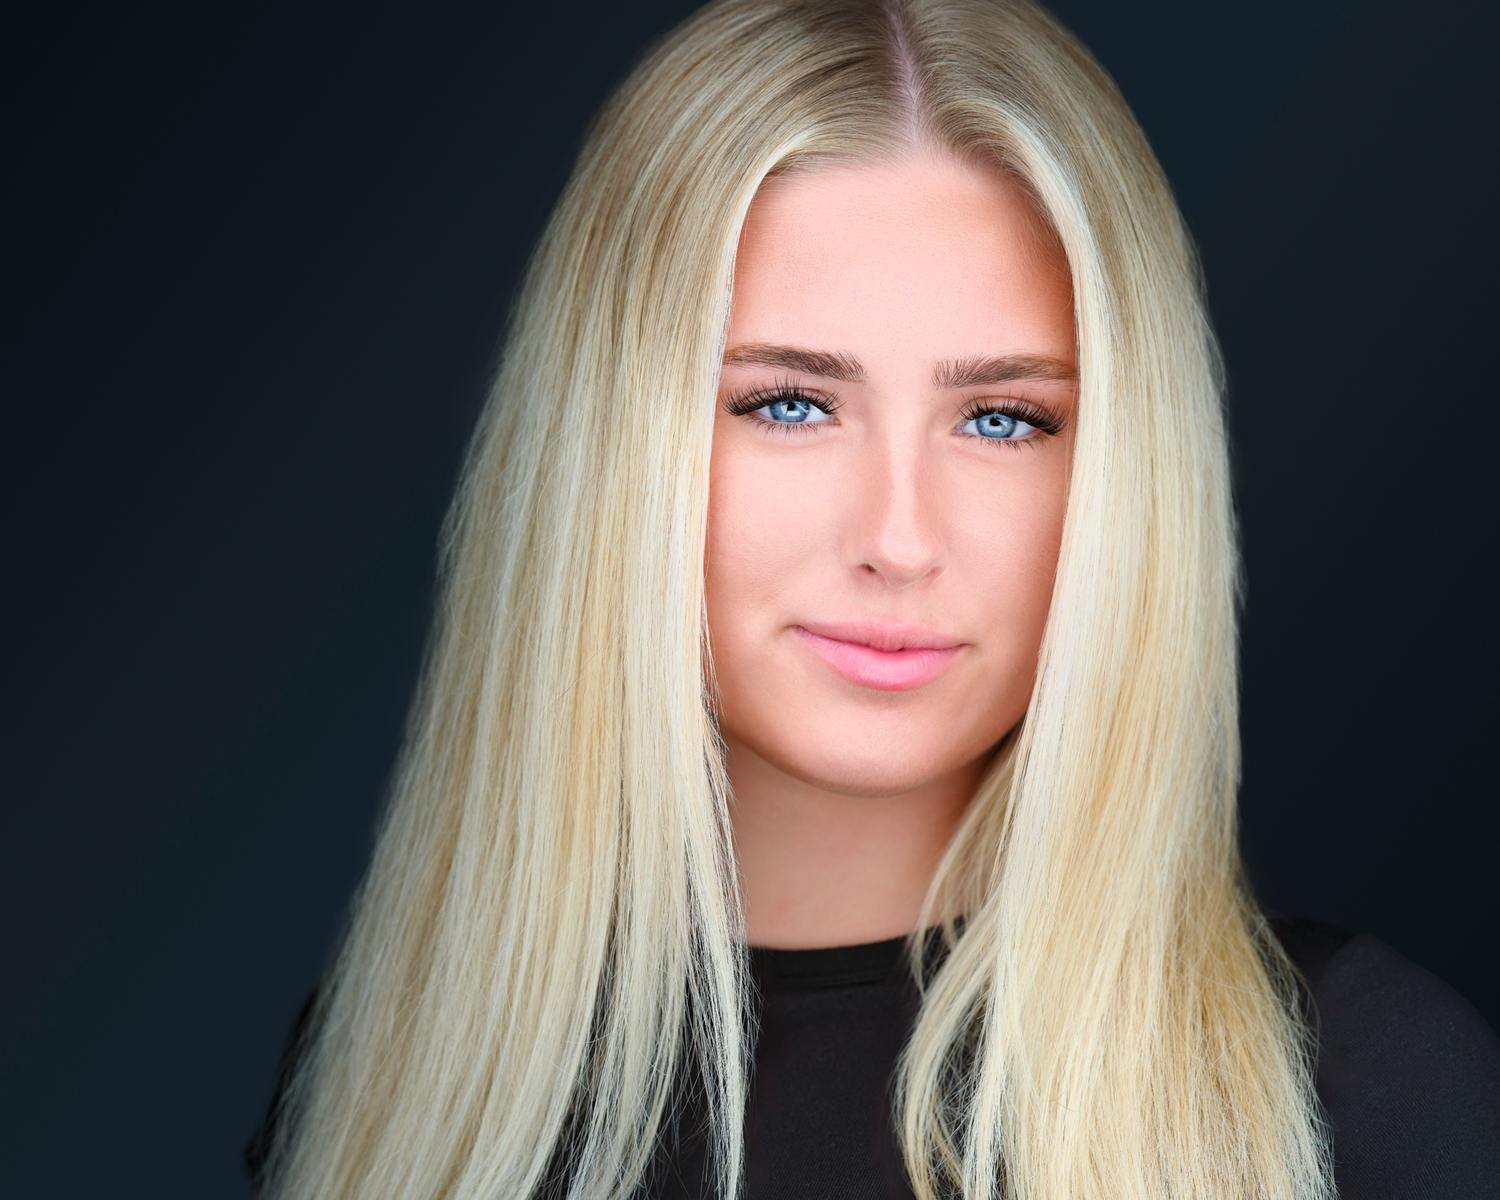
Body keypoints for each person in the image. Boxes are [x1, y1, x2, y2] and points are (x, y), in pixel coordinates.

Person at [246, 1, 1500, 1197]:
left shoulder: (1357, 1097)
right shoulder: (395, 1081)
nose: (900, 540)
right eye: (790, 404)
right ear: (610, 450)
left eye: (1003, 418)